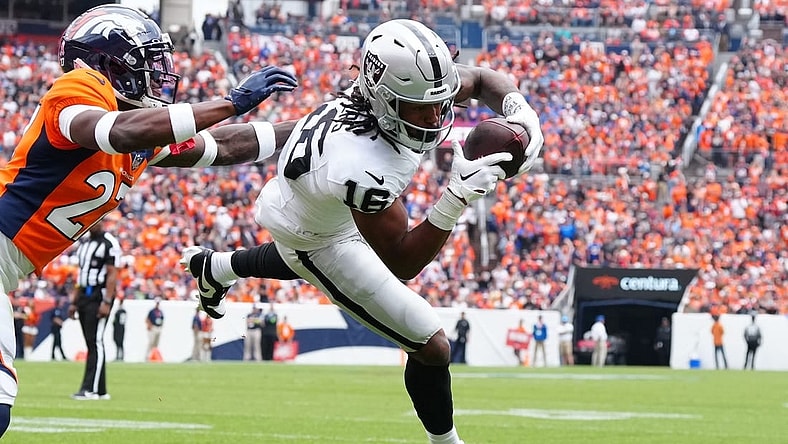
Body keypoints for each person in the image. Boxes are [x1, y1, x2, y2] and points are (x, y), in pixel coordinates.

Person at [181, 19, 543, 443]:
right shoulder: (360, 164)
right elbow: (404, 261)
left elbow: (482, 79)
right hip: (314, 231)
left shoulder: (399, 90)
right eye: (419, 107)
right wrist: (456, 198)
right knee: (431, 344)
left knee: (309, 256)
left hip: (313, 202)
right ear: (385, 100)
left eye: (439, 101)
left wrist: (522, 113)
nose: (434, 115)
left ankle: (215, 267)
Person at [0, 3, 297, 434]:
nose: (160, 75)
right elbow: (115, 131)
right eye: (148, 63)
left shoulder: (141, 134)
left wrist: (319, 125)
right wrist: (229, 102)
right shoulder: (78, 89)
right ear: (109, 64)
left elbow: (225, 146)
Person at [68, 220, 119, 400]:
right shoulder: (85, 243)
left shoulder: (109, 242)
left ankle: (90, 389)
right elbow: (81, 274)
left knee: (96, 341)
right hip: (84, 295)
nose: (94, 225)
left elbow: (112, 274)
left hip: (99, 295)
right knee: (91, 342)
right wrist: (74, 301)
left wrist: (107, 301)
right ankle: (100, 389)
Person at [112, 297, 127, 361]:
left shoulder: (120, 311)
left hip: (119, 329)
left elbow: (118, 321)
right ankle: (120, 356)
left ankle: (120, 356)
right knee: (119, 342)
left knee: (119, 342)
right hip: (121, 328)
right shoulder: (123, 311)